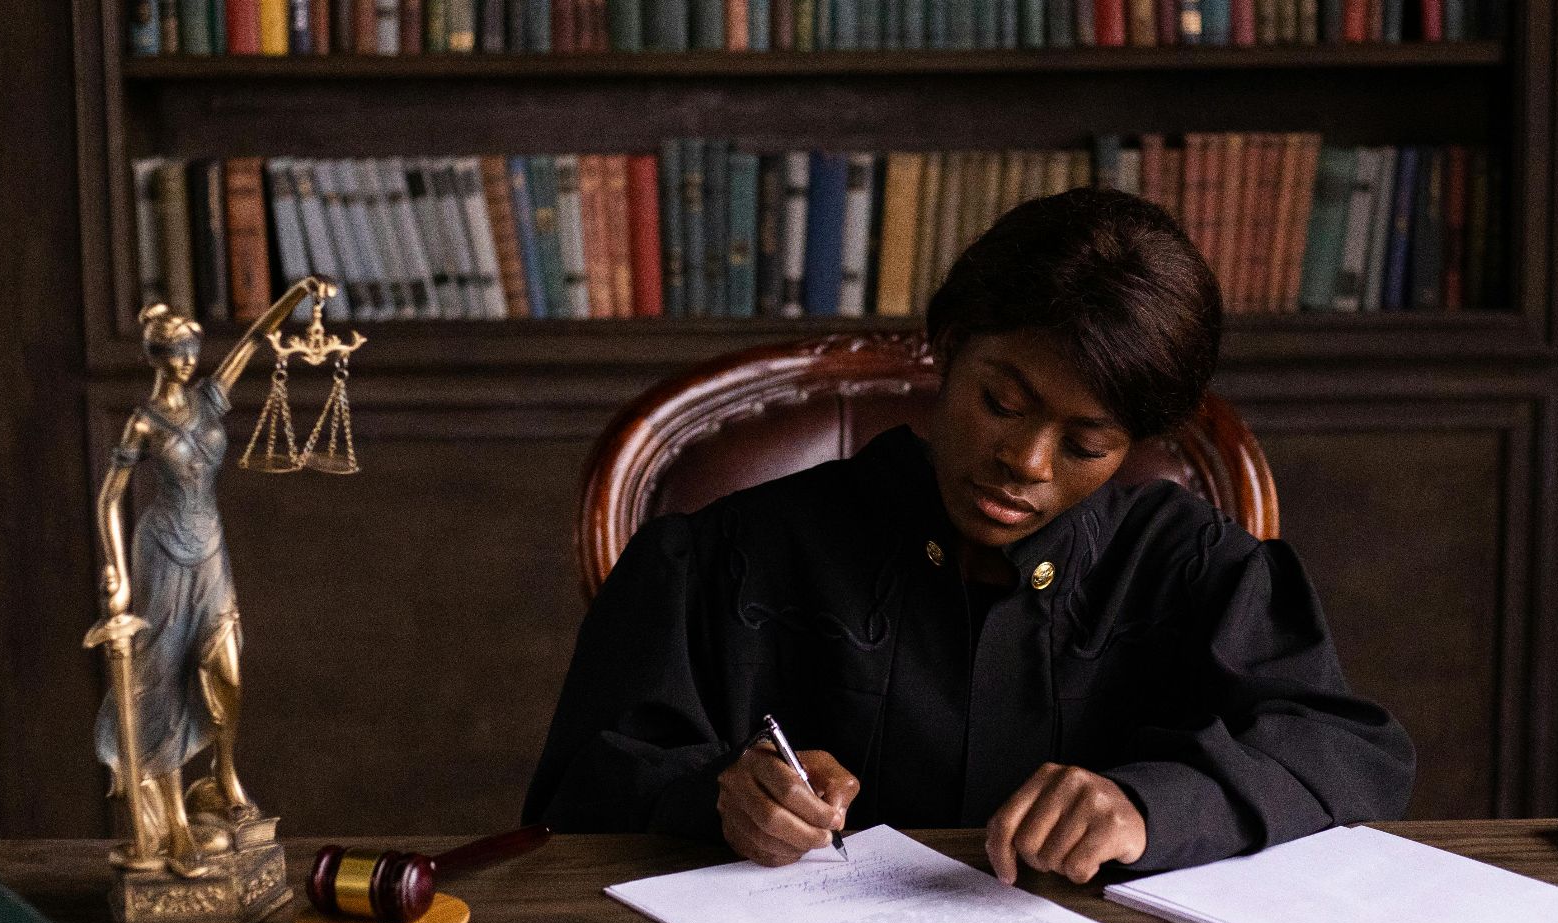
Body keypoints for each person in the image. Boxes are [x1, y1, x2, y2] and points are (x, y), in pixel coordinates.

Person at [523, 188, 1413, 884]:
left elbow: (1350, 751)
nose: (1023, 461)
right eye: (1000, 402)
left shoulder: (1190, 565)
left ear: (1136, 444)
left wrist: (1152, 806)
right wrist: (717, 794)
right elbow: (571, 798)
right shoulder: (727, 556)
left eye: (1085, 443)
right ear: (946, 348)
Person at [87, 281, 316, 876]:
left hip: (210, 544)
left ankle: (222, 776)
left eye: (193, 349)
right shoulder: (142, 422)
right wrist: (115, 570)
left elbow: (253, 341)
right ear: (157, 357)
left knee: (226, 669)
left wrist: (296, 295)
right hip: (160, 550)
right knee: (160, 673)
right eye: (179, 351)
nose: (190, 360)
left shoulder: (211, 400)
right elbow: (111, 497)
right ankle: (174, 819)